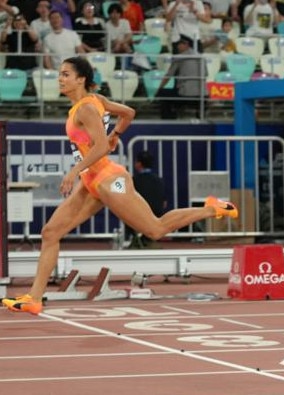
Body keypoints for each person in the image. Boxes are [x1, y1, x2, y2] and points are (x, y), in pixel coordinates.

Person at [1, 56, 238, 315]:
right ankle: (34, 298)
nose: (60, 78)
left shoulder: (86, 108)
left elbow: (101, 147)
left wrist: (76, 169)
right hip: (91, 182)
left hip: (108, 179)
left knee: (155, 229)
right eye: (60, 74)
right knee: (50, 233)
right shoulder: (95, 102)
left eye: (66, 74)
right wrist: (116, 134)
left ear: (81, 79)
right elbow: (128, 113)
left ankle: (212, 208)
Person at [156, 34, 206, 119]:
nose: (178, 46)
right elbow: (205, 74)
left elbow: (168, 75)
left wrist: (158, 89)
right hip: (203, 94)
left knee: (162, 93)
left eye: (179, 44)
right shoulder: (201, 58)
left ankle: (168, 119)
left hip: (186, 94)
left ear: (186, 44)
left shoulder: (179, 57)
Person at [126, 150, 167, 248]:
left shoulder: (134, 180)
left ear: (139, 164)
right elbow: (164, 203)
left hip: (139, 216)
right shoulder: (159, 180)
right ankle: (147, 239)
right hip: (156, 216)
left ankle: (136, 239)